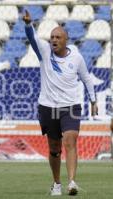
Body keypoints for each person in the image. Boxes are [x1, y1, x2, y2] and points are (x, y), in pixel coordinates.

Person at [23, 11, 98, 196]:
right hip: (48, 106)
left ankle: (72, 182)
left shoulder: (76, 58)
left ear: (66, 40)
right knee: (54, 148)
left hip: (70, 106)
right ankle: (56, 183)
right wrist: (27, 24)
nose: (54, 40)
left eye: (58, 37)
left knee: (70, 140)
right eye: (52, 37)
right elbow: (32, 38)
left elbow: (87, 79)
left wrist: (93, 100)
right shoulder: (44, 51)